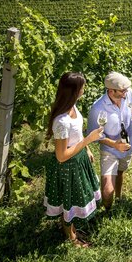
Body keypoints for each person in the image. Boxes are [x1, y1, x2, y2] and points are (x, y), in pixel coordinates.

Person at [44, 72, 104, 247]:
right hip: (67, 166)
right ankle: (71, 237)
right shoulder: (61, 121)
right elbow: (61, 156)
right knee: (68, 201)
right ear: (75, 90)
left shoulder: (73, 107)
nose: (84, 89)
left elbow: (76, 134)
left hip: (79, 159)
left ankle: (72, 228)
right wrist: (88, 140)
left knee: (77, 196)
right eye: (82, 87)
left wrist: (86, 148)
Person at [87, 72, 132, 211]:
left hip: (129, 146)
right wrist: (114, 144)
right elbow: (94, 135)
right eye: (122, 90)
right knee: (107, 192)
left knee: (120, 172)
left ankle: (118, 198)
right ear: (111, 91)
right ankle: (107, 209)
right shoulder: (97, 108)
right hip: (110, 150)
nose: (126, 92)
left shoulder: (128, 94)